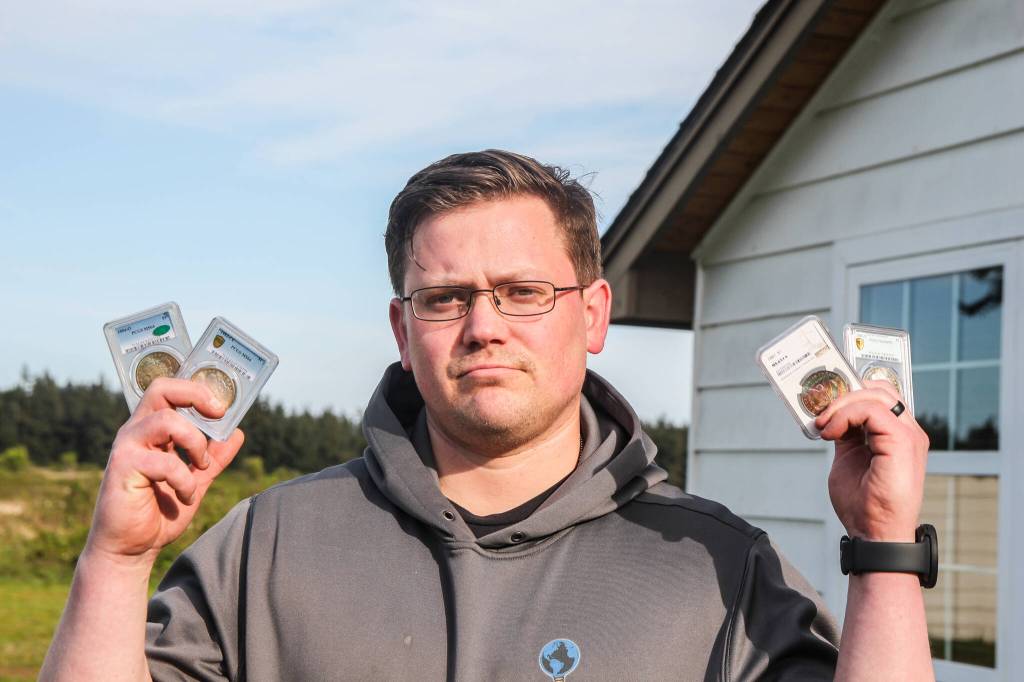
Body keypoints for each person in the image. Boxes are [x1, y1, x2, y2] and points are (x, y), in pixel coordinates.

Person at [40, 150, 933, 680]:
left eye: (522, 291)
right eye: (445, 297)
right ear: (401, 326)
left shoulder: (722, 566)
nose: (484, 327)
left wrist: (886, 548)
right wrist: (116, 561)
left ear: (592, 316)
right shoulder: (267, 543)